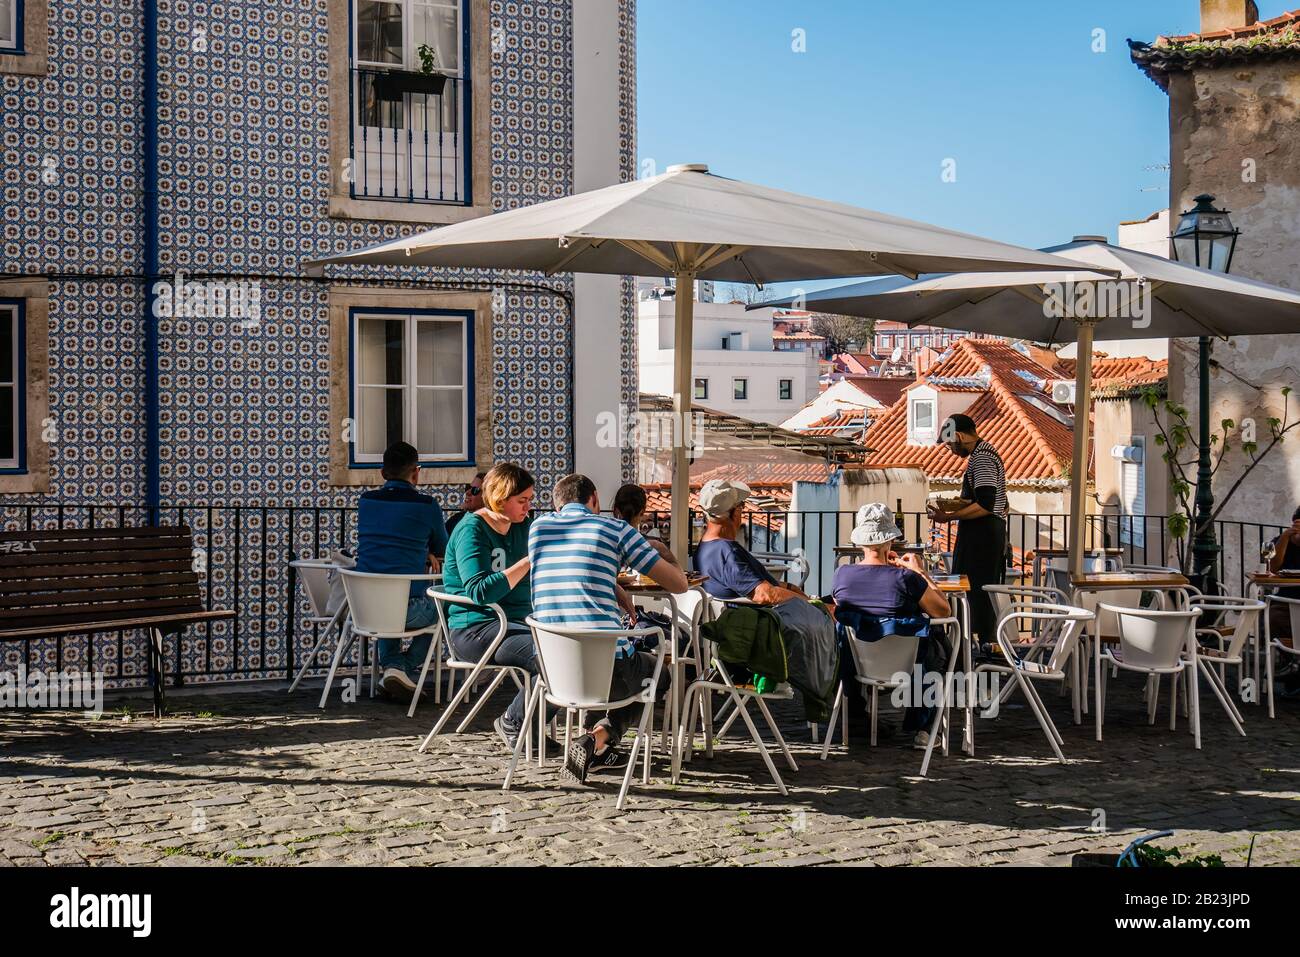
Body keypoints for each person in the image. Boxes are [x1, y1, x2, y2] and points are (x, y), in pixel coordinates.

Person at [529, 474, 688, 784]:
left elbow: (575, 573)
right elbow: (679, 584)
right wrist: (658, 549)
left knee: (610, 658)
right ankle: (599, 739)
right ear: (595, 500)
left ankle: (595, 746)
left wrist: (615, 589)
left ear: (556, 504)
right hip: (607, 675)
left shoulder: (539, 530)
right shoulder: (615, 530)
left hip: (553, 671)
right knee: (659, 673)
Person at [694, 479, 840, 722]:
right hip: (767, 633)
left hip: (759, 624)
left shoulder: (707, 549)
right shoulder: (725, 553)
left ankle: (850, 706)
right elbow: (765, 595)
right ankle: (851, 708)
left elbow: (771, 588)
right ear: (733, 512)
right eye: (741, 507)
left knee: (838, 606)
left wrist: (804, 596)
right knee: (844, 622)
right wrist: (818, 606)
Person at [441, 462, 547, 751]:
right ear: (500, 499)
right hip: (475, 627)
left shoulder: (524, 526)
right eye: (522, 501)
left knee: (572, 653)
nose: (528, 507)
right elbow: (479, 591)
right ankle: (514, 721)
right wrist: (526, 562)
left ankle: (530, 725)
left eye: (530, 500)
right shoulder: (471, 530)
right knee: (551, 658)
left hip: (517, 624)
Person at [833, 503, 952, 749]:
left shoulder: (842, 576)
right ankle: (925, 729)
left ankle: (855, 716)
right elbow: (943, 610)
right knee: (937, 646)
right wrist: (921, 573)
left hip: (860, 666)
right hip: (908, 668)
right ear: (889, 541)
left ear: (860, 541)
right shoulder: (906, 579)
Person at [355, 441, 449, 700]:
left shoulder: (366, 501)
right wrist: (428, 552)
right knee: (448, 608)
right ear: (416, 473)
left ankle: (393, 669)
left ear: (383, 473)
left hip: (365, 607)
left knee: (388, 594)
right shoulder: (427, 505)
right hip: (408, 610)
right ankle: (402, 668)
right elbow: (445, 548)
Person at [927, 413, 1007, 646]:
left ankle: (984, 647)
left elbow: (986, 503)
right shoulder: (985, 453)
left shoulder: (982, 458)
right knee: (976, 590)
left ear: (960, 436)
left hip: (983, 536)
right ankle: (977, 645)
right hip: (985, 533)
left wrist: (948, 516)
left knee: (975, 590)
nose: (951, 449)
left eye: (951, 443)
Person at [1267, 506, 1300, 696]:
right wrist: (1286, 538)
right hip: (1285, 602)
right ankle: (1294, 663)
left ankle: (1295, 668)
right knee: (1272, 619)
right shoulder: (1281, 541)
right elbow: (1273, 566)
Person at [611, 483, 680, 567]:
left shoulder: (604, 539)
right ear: (642, 512)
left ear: (615, 509)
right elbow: (678, 578)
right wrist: (664, 551)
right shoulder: (646, 546)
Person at [445, 471, 486, 538]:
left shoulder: (496, 524)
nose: (467, 492)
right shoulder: (455, 521)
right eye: (468, 487)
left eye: (475, 490)